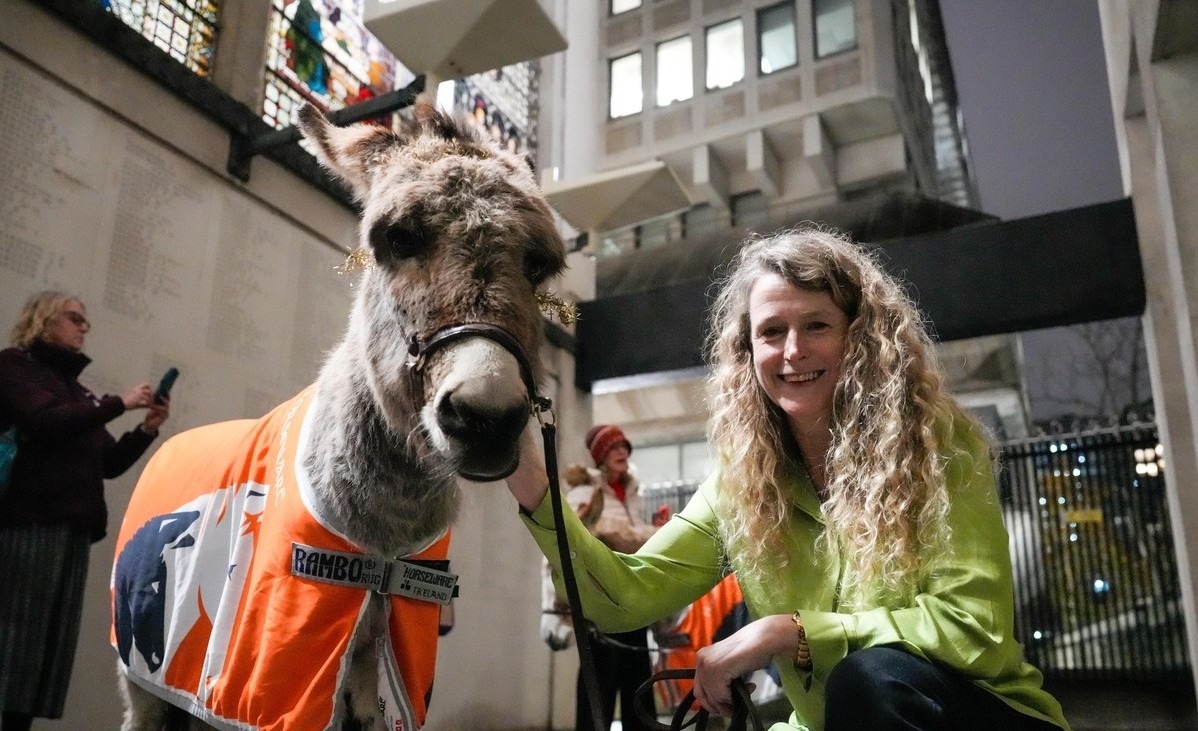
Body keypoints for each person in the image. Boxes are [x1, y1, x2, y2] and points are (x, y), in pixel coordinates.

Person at [509, 228, 1071, 731]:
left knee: (869, 678)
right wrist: (528, 474)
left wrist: (788, 633)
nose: (794, 351)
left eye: (817, 325)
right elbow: (626, 596)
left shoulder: (937, 447)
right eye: (772, 331)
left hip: (981, 713)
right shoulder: (741, 485)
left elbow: (973, 631)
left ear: (861, 336)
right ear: (748, 350)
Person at [0, 290, 170, 731]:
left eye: (84, 321)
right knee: (15, 644)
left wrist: (146, 429)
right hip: (28, 525)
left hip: (70, 532)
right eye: (74, 318)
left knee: (42, 655)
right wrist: (117, 403)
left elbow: (108, 463)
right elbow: (45, 420)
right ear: (42, 320)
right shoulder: (14, 367)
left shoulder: (76, 392)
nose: (83, 327)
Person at [540, 424, 658, 731]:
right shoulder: (584, 492)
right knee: (600, 683)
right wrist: (558, 603)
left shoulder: (633, 493)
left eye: (624, 446)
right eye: (613, 447)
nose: (622, 452)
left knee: (638, 680)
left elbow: (634, 539)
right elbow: (561, 545)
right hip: (600, 600)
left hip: (633, 597)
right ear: (600, 456)